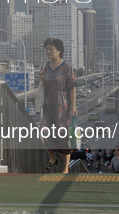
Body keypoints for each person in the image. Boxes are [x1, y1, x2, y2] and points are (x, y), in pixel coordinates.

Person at [40, 37, 77, 173]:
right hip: (48, 107)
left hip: (63, 107)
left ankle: (65, 168)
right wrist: (41, 78)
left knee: (62, 138)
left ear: (59, 51)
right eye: (47, 49)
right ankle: (53, 157)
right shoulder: (45, 67)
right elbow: (43, 84)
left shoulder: (66, 67)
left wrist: (73, 106)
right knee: (43, 133)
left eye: (51, 49)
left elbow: (72, 88)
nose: (49, 52)